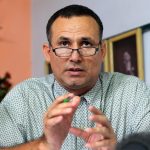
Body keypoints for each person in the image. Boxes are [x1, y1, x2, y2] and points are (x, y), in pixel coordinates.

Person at [0, 4, 150, 150]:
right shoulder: (22, 97)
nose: (75, 57)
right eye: (64, 44)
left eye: (86, 44)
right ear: (47, 52)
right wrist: (44, 145)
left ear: (102, 51)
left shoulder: (134, 92)